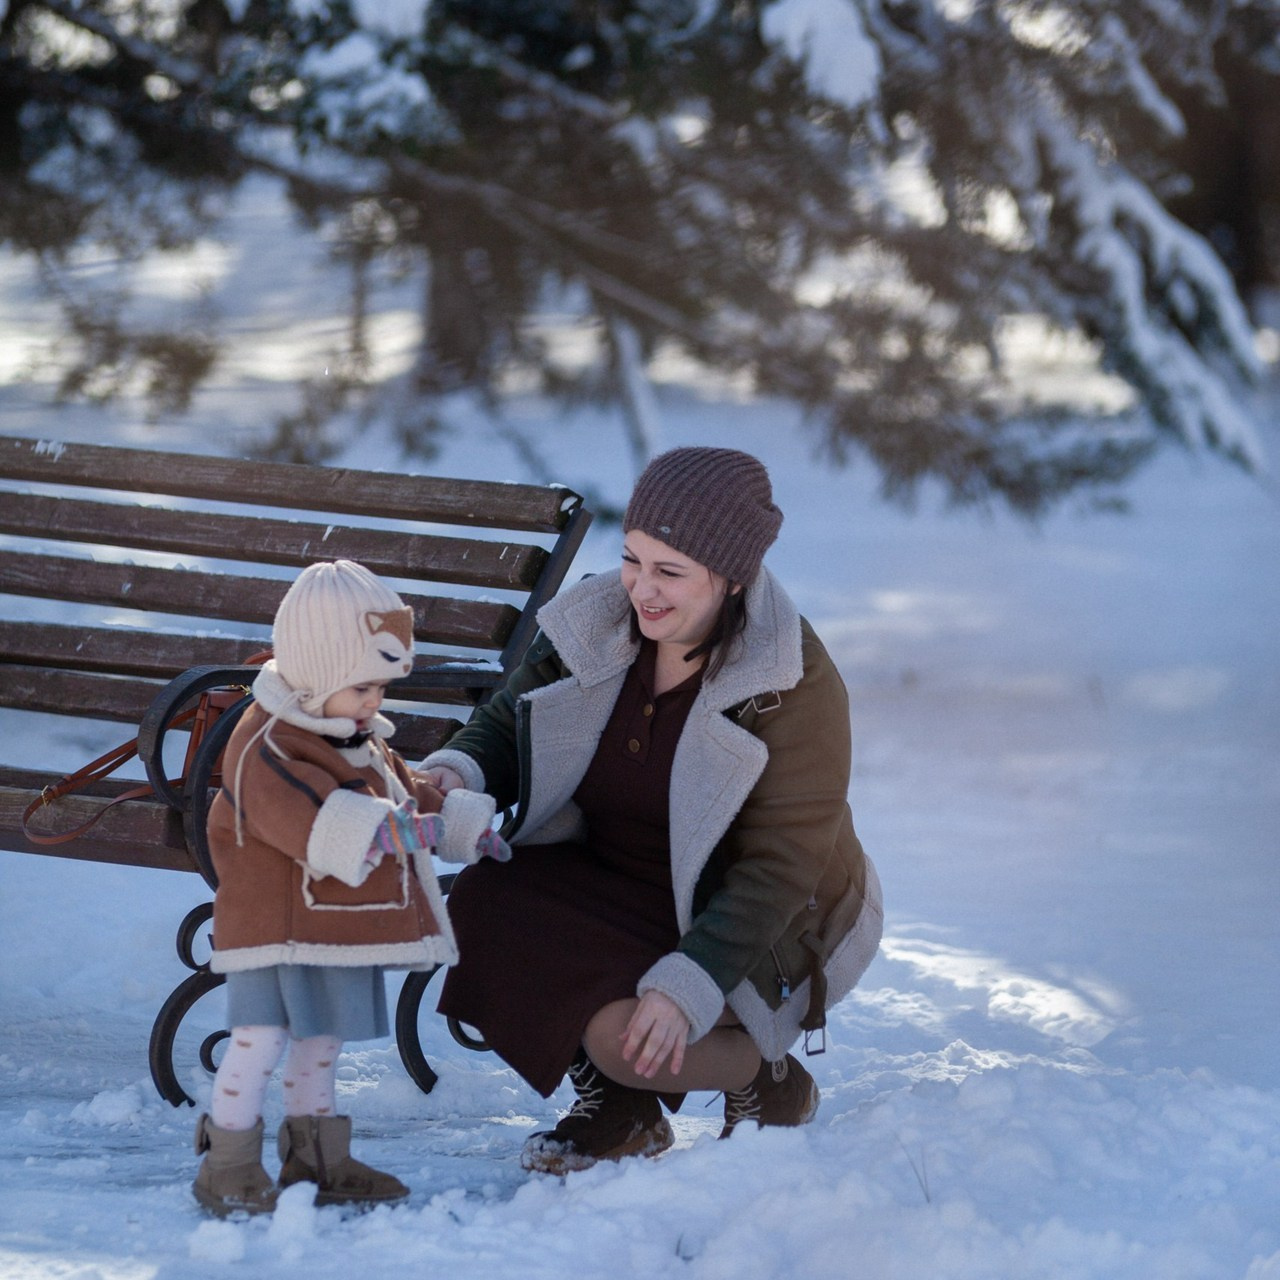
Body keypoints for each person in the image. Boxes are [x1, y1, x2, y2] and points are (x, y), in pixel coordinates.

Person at [421, 446, 884, 1174]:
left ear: (733, 577)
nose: (642, 589)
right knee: (485, 901)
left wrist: (689, 981)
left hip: (761, 915)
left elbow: (782, 866)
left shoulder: (792, 681)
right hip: (619, 880)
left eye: (671, 571)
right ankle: (622, 1113)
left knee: (628, 1040)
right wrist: (456, 770)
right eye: (633, 559)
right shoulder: (598, 621)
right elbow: (512, 718)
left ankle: (767, 1079)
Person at [192, 559, 509, 1217]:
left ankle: (317, 1157)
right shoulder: (268, 739)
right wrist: (385, 831)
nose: (374, 702)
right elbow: (302, 815)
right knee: (259, 1039)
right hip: (273, 924)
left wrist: (459, 824)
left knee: (320, 1040)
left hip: (327, 922)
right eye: (362, 686)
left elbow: (402, 789)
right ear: (318, 671)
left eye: (381, 688)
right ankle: (228, 1164)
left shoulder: (352, 732)